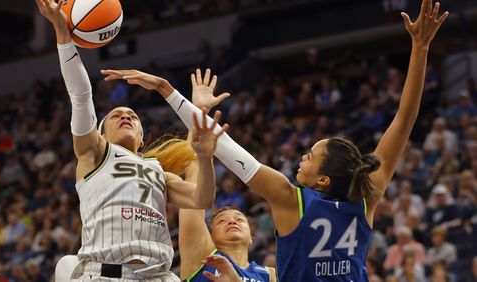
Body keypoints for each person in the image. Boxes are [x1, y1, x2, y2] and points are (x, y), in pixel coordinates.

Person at [102, 0, 448, 280]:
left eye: (310, 157)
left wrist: (168, 91)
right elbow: (404, 120)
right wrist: (420, 49)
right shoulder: (367, 195)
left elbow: (227, 148)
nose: (302, 158)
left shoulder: (290, 199)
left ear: (323, 179)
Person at [34, 0, 228, 281]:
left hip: (157, 275)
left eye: (133, 116)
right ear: (99, 134)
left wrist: (206, 157)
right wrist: (63, 34)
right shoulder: (94, 153)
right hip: (104, 274)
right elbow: (80, 95)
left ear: (140, 140)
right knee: (65, 264)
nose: (126, 115)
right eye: (116, 115)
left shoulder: (159, 172)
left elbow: (203, 198)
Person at [179, 144, 275, 282]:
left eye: (240, 219)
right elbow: (192, 194)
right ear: (211, 237)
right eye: (222, 221)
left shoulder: (270, 275)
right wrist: (201, 153)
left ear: (251, 238)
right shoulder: (201, 258)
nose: (232, 221)